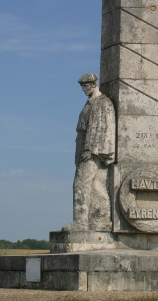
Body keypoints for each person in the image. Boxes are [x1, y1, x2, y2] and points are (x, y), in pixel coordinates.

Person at [63, 73, 115, 232]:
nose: (83, 89)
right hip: (87, 149)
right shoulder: (91, 103)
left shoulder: (100, 103)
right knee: (97, 186)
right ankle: (100, 220)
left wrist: (90, 150)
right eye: (82, 87)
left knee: (81, 184)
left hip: (91, 150)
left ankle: (81, 223)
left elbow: (100, 127)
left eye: (85, 86)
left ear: (93, 84)